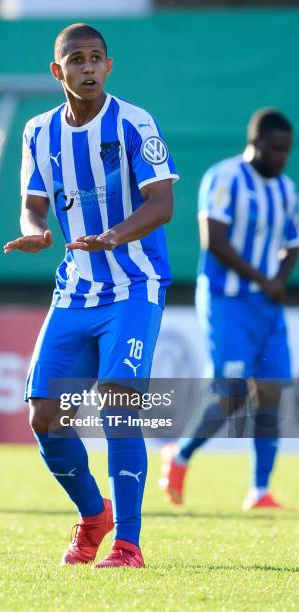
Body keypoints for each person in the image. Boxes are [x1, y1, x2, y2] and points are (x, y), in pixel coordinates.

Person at [4, 23, 178, 567]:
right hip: (75, 290)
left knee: (120, 406)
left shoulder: (134, 122)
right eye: (75, 59)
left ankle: (128, 542)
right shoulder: (38, 131)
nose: (87, 67)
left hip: (134, 285)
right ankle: (92, 515)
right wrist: (35, 230)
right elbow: (34, 200)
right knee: (44, 417)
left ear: (108, 66)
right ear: (58, 72)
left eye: (95, 57)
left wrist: (113, 236)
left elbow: (162, 202)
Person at [160, 109, 298, 511]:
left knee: (271, 391)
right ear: (255, 143)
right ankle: (181, 454)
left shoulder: (286, 190)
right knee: (233, 390)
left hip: (266, 304)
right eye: (274, 149)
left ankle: (259, 491)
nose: (281, 158)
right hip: (227, 299)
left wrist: (279, 280)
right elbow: (214, 240)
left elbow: (293, 242)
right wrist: (264, 278)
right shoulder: (223, 178)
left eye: (287, 151)